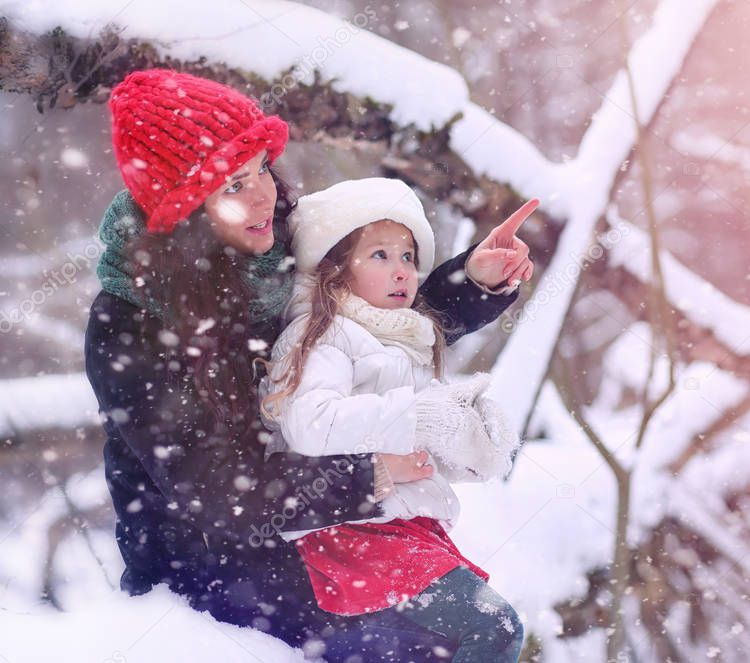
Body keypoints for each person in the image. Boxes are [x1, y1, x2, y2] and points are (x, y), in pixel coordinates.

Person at [83, 68, 534, 661]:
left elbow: (363, 316)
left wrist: (473, 281)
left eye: (261, 170)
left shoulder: (270, 248)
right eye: (232, 185)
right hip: (213, 560)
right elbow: (219, 494)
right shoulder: (133, 324)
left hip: (316, 520)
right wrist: (372, 472)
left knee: (486, 625)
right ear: (184, 210)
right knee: (459, 637)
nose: (262, 196)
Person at [259, 178, 528, 661]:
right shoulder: (321, 333)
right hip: (353, 531)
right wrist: (420, 417)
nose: (402, 270)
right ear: (333, 269)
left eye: (408, 256)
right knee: (494, 628)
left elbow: (408, 446)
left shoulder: (401, 339)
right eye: (380, 255)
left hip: (400, 528)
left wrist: (468, 446)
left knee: (441, 647)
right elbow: (311, 423)